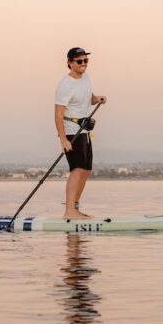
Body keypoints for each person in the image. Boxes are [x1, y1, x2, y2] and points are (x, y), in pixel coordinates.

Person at [54, 47, 107, 220]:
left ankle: (75, 209)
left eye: (86, 60)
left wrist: (97, 99)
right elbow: (58, 113)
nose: (83, 64)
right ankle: (68, 211)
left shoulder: (86, 78)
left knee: (85, 170)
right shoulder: (65, 85)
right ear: (70, 63)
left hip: (84, 131)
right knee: (76, 170)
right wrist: (63, 139)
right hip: (71, 132)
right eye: (79, 61)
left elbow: (87, 98)